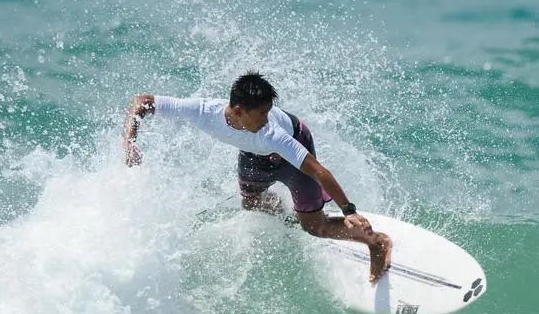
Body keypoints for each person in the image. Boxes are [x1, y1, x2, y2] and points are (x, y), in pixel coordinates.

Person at [122, 71, 391, 283]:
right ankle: (294, 215)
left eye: (269, 111)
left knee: (314, 228)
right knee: (251, 204)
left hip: (292, 148)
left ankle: (376, 242)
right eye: (262, 113)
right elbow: (142, 102)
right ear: (238, 111)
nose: (267, 117)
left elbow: (318, 170)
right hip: (254, 154)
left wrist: (349, 210)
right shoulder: (204, 112)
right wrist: (129, 142)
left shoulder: (273, 133)